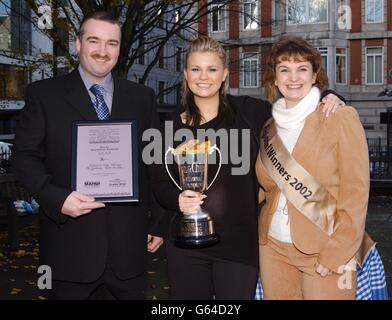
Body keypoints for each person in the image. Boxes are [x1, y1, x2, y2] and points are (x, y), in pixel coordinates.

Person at [151, 35, 345, 299]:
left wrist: (329, 96)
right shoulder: (170, 126)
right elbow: (160, 182)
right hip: (185, 246)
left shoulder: (249, 112)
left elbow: (294, 105)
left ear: (224, 75)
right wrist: (177, 199)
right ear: (186, 74)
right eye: (196, 69)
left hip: (239, 248)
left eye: (212, 69)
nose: (203, 77)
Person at [12, 11, 164, 300]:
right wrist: (58, 198)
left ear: (120, 49)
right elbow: (24, 158)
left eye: (112, 43)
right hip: (68, 250)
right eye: (94, 41)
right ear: (78, 44)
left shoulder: (142, 98)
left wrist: (158, 222)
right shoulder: (43, 94)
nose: (103, 51)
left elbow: (152, 163)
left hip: (129, 251)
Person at [255, 35, 383, 299]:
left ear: (315, 77)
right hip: (274, 248)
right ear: (275, 79)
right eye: (284, 70)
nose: (293, 78)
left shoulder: (338, 117)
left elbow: (356, 192)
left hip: (324, 248)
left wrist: (338, 251)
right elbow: (265, 188)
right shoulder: (269, 127)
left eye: (302, 69)